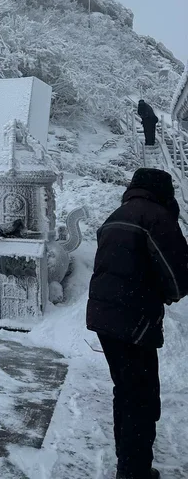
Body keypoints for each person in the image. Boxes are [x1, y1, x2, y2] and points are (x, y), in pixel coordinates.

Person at [86, 168, 188, 479]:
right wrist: (165, 293)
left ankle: (128, 465)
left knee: (127, 391)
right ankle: (134, 471)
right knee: (140, 397)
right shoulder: (157, 218)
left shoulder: (118, 214)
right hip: (135, 319)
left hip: (105, 318)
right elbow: (179, 277)